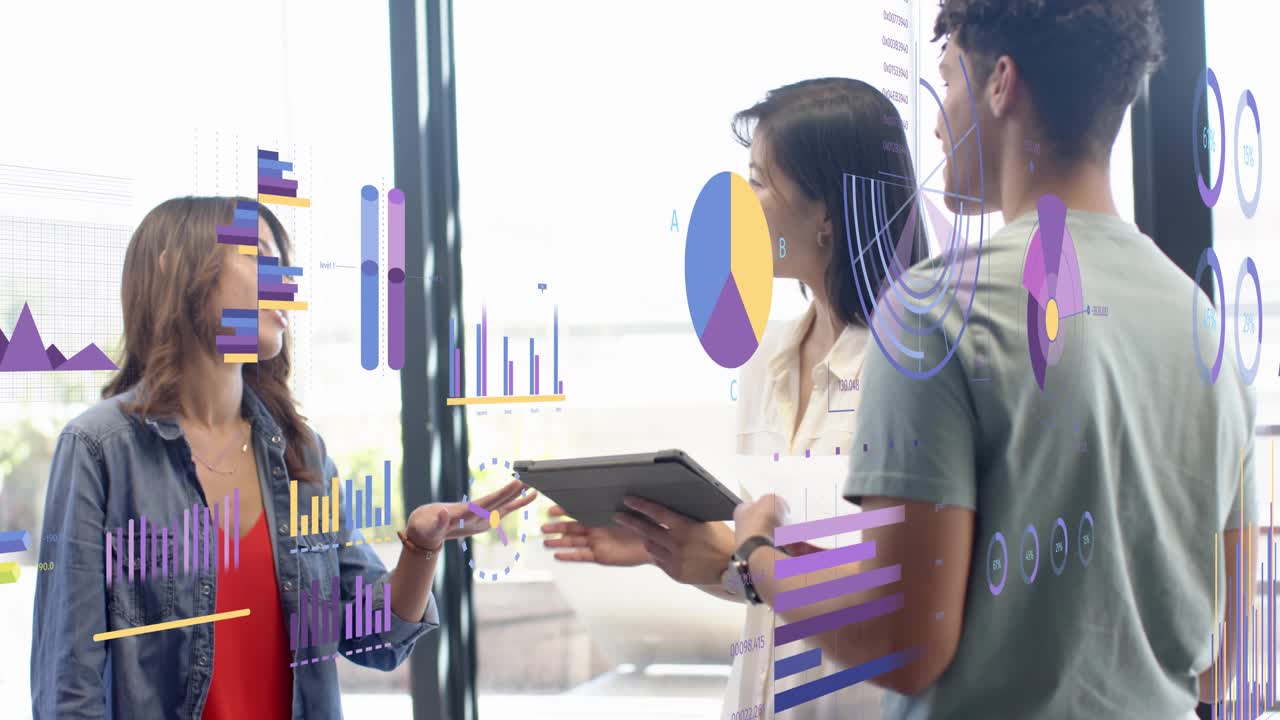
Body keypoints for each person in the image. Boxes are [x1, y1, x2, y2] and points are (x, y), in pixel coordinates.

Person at [728, 1, 1255, 718]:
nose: (939, 119)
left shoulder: (937, 310)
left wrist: (757, 557)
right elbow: (1222, 667)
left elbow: (905, 643)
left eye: (947, 81)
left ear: (1000, 84)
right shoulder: (1207, 334)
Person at [30, 197, 536, 719]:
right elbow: (69, 688)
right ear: (177, 271)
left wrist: (421, 549)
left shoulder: (301, 455)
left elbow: (376, 639)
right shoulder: (99, 449)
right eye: (258, 256)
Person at [542, 78, 926, 719]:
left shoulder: (916, 368)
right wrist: (674, 545)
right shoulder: (769, 361)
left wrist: (739, 558)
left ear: (828, 212)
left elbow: (906, 592)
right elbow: (762, 576)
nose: (741, 204)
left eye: (760, 181)